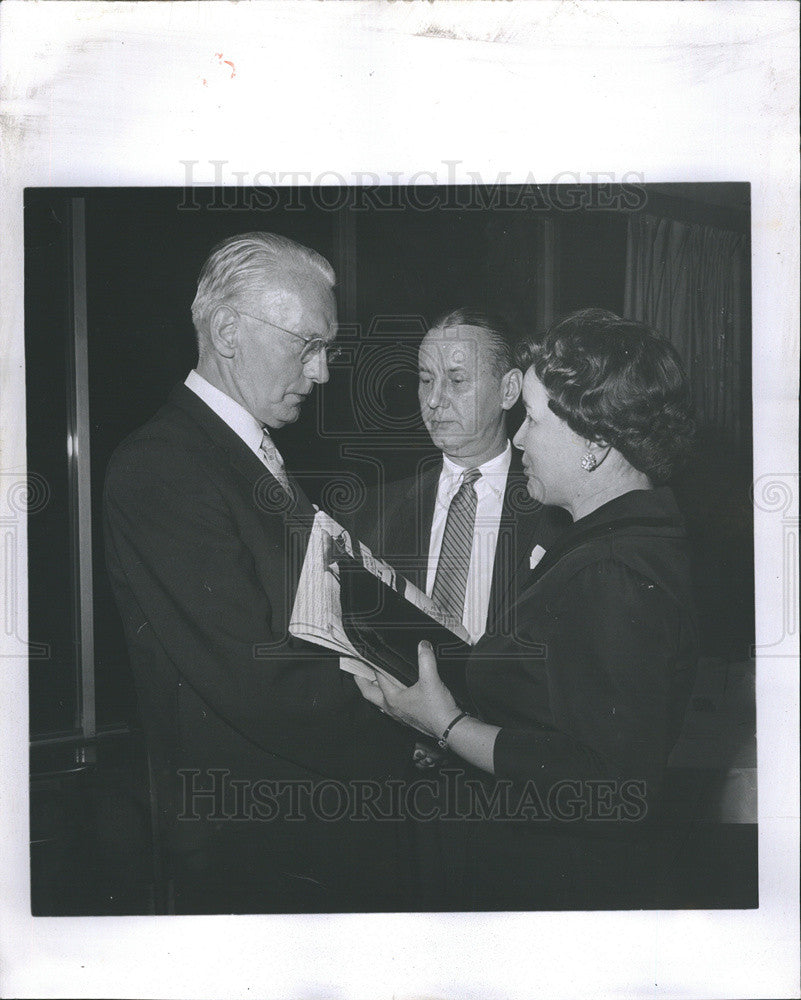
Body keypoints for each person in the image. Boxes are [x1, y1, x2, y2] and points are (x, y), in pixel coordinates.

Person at [103, 232, 413, 914]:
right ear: (225, 331)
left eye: (327, 349)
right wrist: (420, 738)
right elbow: (256, 675)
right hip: (255, 840)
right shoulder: (165, 466)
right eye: (306, 344)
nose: (323, 371)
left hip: (306, 821)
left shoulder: (248, 457)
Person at [356, 308, 699, 909]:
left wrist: (448, 725)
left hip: (557, 883)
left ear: (595, 444)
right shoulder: (610, 545)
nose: (518, 437)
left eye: (534, 421)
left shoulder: (612, 569)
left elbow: (606, 786)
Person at [362, 309, 568, 646]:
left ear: (509, 389)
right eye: (426, 380)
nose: (432, 400)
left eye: (456, 381)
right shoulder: (374, 511)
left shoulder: (557, 510)